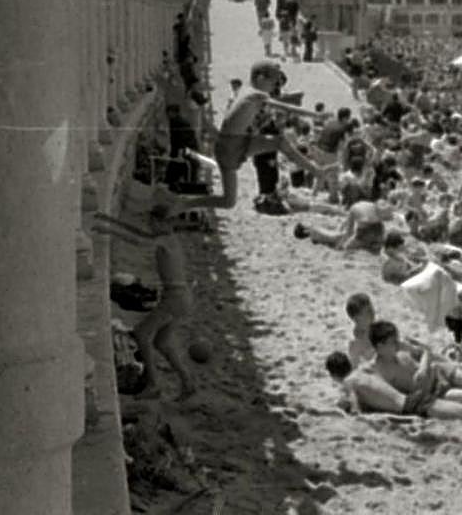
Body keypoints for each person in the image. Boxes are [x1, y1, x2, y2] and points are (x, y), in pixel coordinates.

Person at [169, 61, 325, 211]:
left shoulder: (245, 90)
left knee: (279, 142)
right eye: (273, 82)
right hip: (230, 147)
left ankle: (316, 171)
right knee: (228, 201)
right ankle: (184, 204)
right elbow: (286, 107)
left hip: (234, 143)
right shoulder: (256, 94)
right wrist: (315, 115)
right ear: (260, 78)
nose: (274, 86)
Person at [93, 208, 197, 400]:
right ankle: (187, 382)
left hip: (174, 298)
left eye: (152, 223)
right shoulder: (167, 237)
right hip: (181, 297)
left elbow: (138, 241)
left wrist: (108, 229)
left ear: (161, 223)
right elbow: (139, 233)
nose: (150, 226)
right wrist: (108, 219)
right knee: (161, 342)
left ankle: (154, 383)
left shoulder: (164, 239)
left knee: (141, 334)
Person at [324, 351, 462, 431]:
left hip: (411, 406)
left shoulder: (348, 383)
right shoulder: (363, 370)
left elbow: (356, 412)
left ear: (334, 376)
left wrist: (341, 411)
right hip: (413, 397)